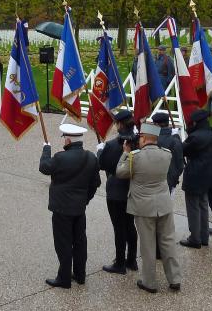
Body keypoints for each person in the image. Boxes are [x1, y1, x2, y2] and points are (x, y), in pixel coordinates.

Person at [116, 123, 182, 293]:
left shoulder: (134, 157)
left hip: (143, 207)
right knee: (168, 242)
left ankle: (150, 282)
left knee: (148, 245)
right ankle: (174, 278)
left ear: (144, 138)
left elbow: (120, 172)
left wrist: (125, 153)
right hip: (164, 204)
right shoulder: (166, 154)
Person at [39, 123, 101, 289]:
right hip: (79, 208)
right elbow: (96, 183)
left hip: (62, 208)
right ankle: (80, 275)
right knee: (80, 242)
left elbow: (44, 167)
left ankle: (64, 278)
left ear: (67, 140)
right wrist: (85, 200)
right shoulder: (91, 158)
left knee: (63, 243)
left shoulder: (60, 157)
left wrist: (46, 150)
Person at [96, 110, 137, 274]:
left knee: (119, 228)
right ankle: (132, 260)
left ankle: (120, 262)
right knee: (130, 225)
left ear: (119, 124)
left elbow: (102, 164)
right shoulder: (139, 141)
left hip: (116, 190)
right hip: (133, 190)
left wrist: (100, 150)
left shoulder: (113, 145)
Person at [180, 109, 212, 248]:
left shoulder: (195, 137)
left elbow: (183, 149)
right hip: (207, 173)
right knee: (203, 204)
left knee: (193, 206)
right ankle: (204, 236)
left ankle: (195, 238)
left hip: (194, 174)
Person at [151, 112, 184, 192]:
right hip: (170, 181)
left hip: (154, 181)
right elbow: (180, 165)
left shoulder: (151, 140)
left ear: (156, 125)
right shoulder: (175, 140)